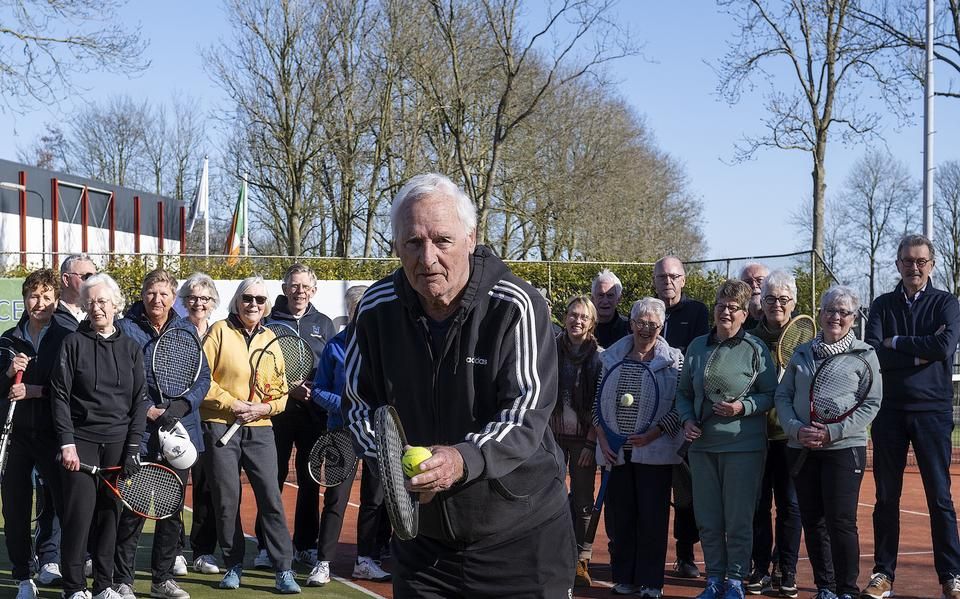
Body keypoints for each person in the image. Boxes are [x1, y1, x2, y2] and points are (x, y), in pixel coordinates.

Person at [342, 172, 575, 597]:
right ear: (396, 247)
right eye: (413, 242)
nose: (427, 257)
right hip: (423, 549)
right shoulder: (376, 309)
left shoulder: (516, 305)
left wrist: (460, 461)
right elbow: (359, 405)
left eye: (442, 240)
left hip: (521, 539)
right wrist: (394, 467)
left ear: (471, 238)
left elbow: (525, 412)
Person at [862, 234, 960, 599]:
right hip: (888, 412)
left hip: (933, 412)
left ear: (931, 265)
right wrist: (920, 352)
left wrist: (897, 342)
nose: (914, 267)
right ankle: (883, 574)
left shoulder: (947, 303)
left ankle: (951, 574)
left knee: (940, 498)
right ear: (898, 263)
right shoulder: (882, 304)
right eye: (907, 260)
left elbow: (944, 347)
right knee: (886, 497)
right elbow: (874, 352)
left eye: (921, 261)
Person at [776, 285, 882, 599]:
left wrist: (832, 433)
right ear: (820, 314)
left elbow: (871, 403)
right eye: (830, 311)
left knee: (841, 521)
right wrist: (796, 429)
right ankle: (825, 586)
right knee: (813, 521)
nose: (835, 317)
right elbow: (783, 396)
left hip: (843, 449)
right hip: (802, 448)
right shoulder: (802, 352)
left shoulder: (865, 355)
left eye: (843, 312)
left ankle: (846, 589)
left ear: (853, 317)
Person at [676, 279, 777, 599]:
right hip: (702, 448)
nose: (726, 312)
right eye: (721, 306)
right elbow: (683, 394)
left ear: (745, 314)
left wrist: (741, 407)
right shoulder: (696, 347)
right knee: (707, 519)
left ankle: (735, 580)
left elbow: (771, 395)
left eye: (733, 308)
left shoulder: (756, 349)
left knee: (737, 520)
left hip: (743, 448)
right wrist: (688, 420)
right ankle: (714, 579)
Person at [113, 269, 210, 599]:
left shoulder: (186, 330)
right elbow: (118, 378)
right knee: (132, 511)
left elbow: (202, 378)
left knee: (171, 512)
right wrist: (146, 409)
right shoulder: (125, 329)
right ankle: (122, 580)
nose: (157, 299)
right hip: (138, 434)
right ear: (142, 294)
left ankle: (162, 580)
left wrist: (181, 406)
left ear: (173, 298)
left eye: (164, 293)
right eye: (151, 292)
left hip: (179, 434)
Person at [200, 276, 301, 594]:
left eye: (259, 299)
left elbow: (281, 395)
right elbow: (201, 378)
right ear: (237, 301)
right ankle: (233, 564)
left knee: (271, 498)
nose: (253, 304)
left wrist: (261, 410)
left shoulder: (272, 338)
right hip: (220, 427)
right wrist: (233, 404)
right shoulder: (218, 331)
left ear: (267, 304)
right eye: (247, 298)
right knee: (227, 501)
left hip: (260, 430)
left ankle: (283, 568)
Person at [50, 273, 147, 599]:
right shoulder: (72, 344)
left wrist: (132, 448)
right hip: (81, 443)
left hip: (118, 446)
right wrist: (67, 443)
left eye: (102, 301)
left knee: (110, 518)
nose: (97, 308)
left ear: (115, 305)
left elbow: (139, 402)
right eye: (90, 303)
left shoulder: (131, 349)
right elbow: (60, 396)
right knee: (78, 521)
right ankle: (74, 588)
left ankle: (104, 585)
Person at [596, 297, 684, 597]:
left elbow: (678, 408)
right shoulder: (610, 357)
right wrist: (605, 439)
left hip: (654, 453)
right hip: (616, 452)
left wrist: (653, 434)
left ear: (662, 326)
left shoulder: (675, 361)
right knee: (622, 519)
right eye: (641, 323)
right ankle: (624, 577)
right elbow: (598, 403)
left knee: (652, 519)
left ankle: (651, 582)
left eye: (653, 324)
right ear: (631, 323)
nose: (646, 329)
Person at [308, 284, 391, 586]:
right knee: (336, 498)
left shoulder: (387, 347)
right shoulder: (335, 346)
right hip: (341, 432)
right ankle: (323, 562)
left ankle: (365, 560)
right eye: (359, 307)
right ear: (352, 311)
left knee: (375, 499)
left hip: (377, 435)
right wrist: (346, 407)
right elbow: (318, 390)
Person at [256, 263, 336, 570]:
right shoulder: (269, 321)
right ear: (284, 289)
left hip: (313, 416)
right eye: (294, 286)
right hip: (276, 414)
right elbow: (260, 367)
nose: (299, 292)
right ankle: (266, 546)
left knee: (309, 480)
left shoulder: (325, 324)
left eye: (305, 287)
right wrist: (290, 389)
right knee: (270, 481)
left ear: (313, 290)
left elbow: (329, 368)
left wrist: (316, 392)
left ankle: (305, 545)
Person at [0, 269, 72, 599]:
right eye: (33, 295)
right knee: (15, 509)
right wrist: (8, 372)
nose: (39, 303)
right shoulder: (7, 340)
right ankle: (23, 577)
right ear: (25, 299)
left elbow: (73, 388)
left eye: (46, 297)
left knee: (62, 505)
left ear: (56, 301)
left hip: (53, 435)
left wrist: (36, 391)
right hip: (15, 436)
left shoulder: (67, 337)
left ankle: (65, 571)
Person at [34, 253, 98, 586]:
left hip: (87, 428)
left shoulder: (95, 319)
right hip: (52, 427)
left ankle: (80, 555)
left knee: (78, 498)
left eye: (94, 274)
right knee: (52, 497)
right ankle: (49, 557)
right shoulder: (51, 321)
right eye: (84, 274)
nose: (90, 279)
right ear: (66, 279)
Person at [746, 270, 803, 598]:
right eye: (770, 299)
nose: (776, 305)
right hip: (755, 436)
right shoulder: (749, 340)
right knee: (757, 506)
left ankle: (787, 566)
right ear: (761, 303)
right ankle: (760, 567)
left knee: (790, 505)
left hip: (790, 437)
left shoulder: (806, 342)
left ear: (793, 302)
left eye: (783, 299)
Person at [653, 255, 709, 579]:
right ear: (655, 280)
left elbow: (695, 358)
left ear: (683, 280)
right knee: (652, 492)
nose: (668, 281)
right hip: (651, 417)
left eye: (674, 276)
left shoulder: (697, 312)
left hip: (685, 417)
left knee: (686, 495)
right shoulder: (647, 310)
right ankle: (648, 557)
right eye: (662, 276)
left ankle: (685, 555)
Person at [175, 272, 225, 575]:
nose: (199, 303)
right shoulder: (177, 330)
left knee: (207, 490)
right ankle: (176, 550)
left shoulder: (222, 331)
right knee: (178, 488)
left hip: (214, 421)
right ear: (184, 301)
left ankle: (204, 551)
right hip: (183, 421)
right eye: (193, 297)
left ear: (213, 302)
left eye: (205, 298)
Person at [552, 294, 602, 588]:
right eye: (573, 315)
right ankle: (556, 552)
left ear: (592, 323)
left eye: (584, 316)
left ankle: (581, 558)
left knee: (583, 501)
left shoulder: (599, 357)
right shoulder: (549, 350)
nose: (577, 321)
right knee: (552, 497)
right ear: (565, 317)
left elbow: (599, 402)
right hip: (553, 438)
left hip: (584, 440)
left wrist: (591, 442)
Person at [52, 253, 97, 331]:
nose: (91, 281)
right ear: (66, 279)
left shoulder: (101, 310)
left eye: (94, 277)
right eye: (87, 276)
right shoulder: (49, 311)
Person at [592, 268, 631, 348]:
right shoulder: (584, 327)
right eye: (600, 295)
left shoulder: (629, 329)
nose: (605, 301)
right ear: (593, 298)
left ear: (619, 299)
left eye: (610, 296)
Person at [739, 263, 769, 330]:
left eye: (760, 280)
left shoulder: (780, 315)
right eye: (748, 282)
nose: (754, 285)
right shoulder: (736, 320)